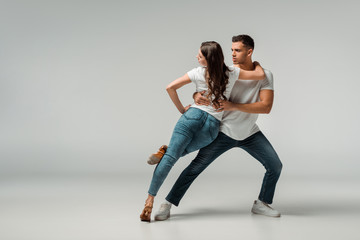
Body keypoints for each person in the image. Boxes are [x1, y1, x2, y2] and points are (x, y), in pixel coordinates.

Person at [152, 35, 283, 221]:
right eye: (231, 50)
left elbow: (266, 107)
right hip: (223, 132)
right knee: (194, 168)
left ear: (249, 51)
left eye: (237, 50)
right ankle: (168, 204)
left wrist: (233, 106)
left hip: (249, 132)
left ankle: (262, 203)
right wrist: (196, 93)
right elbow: (204, 84)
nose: (233, 54)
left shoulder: (265, 75)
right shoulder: (228, 71)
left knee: (275, 166)